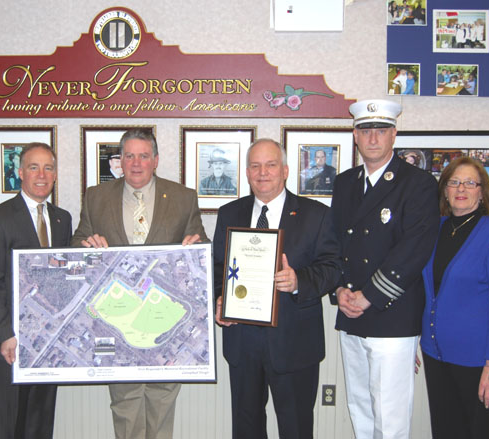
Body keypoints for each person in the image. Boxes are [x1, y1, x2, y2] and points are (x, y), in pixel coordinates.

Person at [71, 128, 208, 439]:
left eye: (143, 156)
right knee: (125, 407)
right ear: (119, 161)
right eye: (128, 156)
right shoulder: (96, 196)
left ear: (155, 160)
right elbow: (78, 241)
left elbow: (203, 244)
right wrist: (85, 244)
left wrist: (195, 245)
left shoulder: (183, 197)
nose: (135, 163)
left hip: (164, 323)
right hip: (119, 320)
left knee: (161, 407)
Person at [213, 139, 341, 439]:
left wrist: (300, 281)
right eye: (255, 166)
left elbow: (333, 267)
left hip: (294, 344)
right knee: (246, 428)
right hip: (242, 341)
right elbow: (219, 266)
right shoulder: (229, 213)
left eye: (270, 165)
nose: (263, 173)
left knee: (295, 429)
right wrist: (221, 299)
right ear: (246, 173)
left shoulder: (315, 215)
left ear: (284, 170)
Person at [331, 99, 440, 439]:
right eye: (365, 130)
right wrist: (339, 290)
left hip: (392, 312)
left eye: (381, 130)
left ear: (394, 134)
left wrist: (369, 296)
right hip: (350, 310)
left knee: (390, 415)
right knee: (360, 406)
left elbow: (414, 249)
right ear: (355, 136)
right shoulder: (345, 182)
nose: (373, 138)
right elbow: (335, 243)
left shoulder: (418, 183)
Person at [0, 143, 72, 439]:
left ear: (55, 175)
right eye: (34, 167)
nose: (41, 175)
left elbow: (64, 279)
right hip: (11, 345)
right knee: (11, 427)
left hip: (47, 344)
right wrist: (5, 334)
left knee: (41, 426)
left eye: (48, 168)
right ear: (20, 173)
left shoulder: (62, 218)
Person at [421, 157, 489, 438]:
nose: (461, 188)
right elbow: (425, 291)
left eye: (470, 183)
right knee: (446, 431)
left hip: (479, 362)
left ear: (481, 191)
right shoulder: (435, 228)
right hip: (434, 354)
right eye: (453, 182)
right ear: (445, 190)